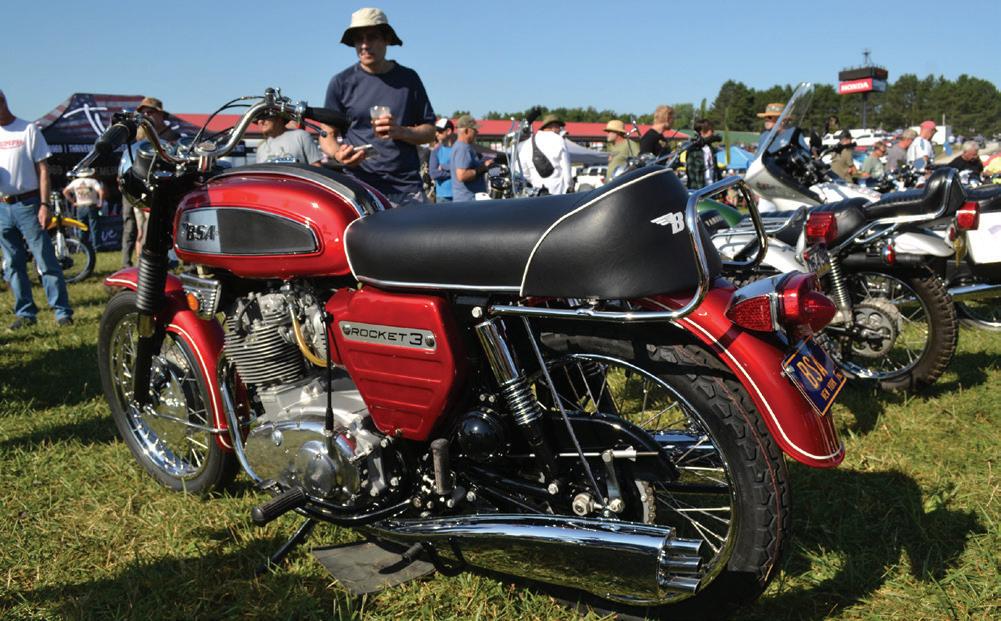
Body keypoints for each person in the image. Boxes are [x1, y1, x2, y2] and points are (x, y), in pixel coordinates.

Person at [320, 7, 436, 207]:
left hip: (406, 190)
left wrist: (401, 131)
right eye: (358, 39)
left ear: (387, 39)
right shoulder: (341, 82)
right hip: (359, 189)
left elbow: (430, 132)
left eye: (372, 37)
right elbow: (326, 135)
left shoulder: (408, 79)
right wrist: (339, 154)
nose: (365, 45)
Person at [0, 88, 73, 329]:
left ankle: (62, 312)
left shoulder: (27, 129)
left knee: (45, 259)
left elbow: (43, 169)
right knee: (12, 263)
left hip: (29, 204)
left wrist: (44, 204)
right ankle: (25, 313)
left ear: (3, 102)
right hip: (2, 206)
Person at [119, 96, 179, 268]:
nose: (146, 115)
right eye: (143, 112)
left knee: (157, 225)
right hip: (133, 183)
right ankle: (126, 263)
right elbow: (127, 157)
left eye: (150, 112)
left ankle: (160, 262)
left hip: (158, 187)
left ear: (160, 114)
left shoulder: (172, 136)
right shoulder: (138, 134)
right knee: (130, 225)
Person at [518, 114, 571, 195]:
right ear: (554, 127)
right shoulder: (559, 140)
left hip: (536, 193)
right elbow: (566, 169)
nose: (559, 130)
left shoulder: (527, 143)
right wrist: (569, 187)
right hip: (558, 194)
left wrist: (535, 182)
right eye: (559, 128)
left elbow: (523, 172)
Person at [450, 115, 493, 202]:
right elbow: (462, 175)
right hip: (468, 200)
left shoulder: (460, 146)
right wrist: (483, 168)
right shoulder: (463, 148)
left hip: (465, 199)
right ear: (466, 131)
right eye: (474, 130)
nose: (477, 132)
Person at [254, 111, 323, 165]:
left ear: (279, 118)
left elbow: (316, 168)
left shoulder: (301, 136)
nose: (260, 121)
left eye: (265, 117)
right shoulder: (261, 147)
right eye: (258, 119)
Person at [62, 167, 105, 251]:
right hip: (91, 205)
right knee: (94, 227)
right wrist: (100, 202)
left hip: (80, 206)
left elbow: (65, 191)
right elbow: (101, 191)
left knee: (81, 227)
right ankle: (97, 246)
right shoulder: (93, 181)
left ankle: (83, 247)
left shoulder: (75, 182)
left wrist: (73, 202)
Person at [684, 119, 720, 190]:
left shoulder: (712, 149)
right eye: (711, 131)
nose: (713, 133)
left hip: (712, 190)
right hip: (699, 191)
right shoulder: (693, 150)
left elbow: (716, 171)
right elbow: (692, 175)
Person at [428, 118, 455, 202]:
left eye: (439, 131)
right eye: (436, 131)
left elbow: (465, 168)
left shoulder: (460, 148)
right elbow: (433, 174)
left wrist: (443, 167)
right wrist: (455, 173)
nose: (436, 134)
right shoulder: (436, 151)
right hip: (442, 197)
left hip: (460, 195)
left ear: (448, 131)